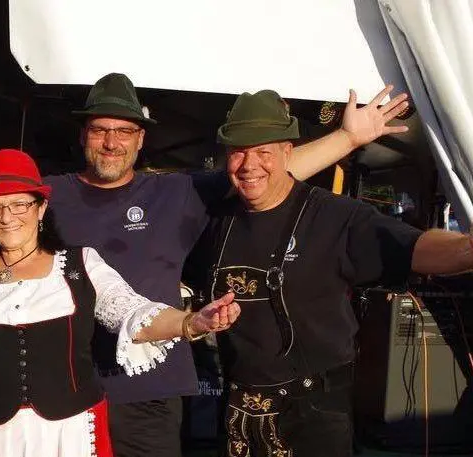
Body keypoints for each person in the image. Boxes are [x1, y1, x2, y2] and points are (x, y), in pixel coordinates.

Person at [43, 73, 410, 457]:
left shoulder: (175, 192)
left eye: (124, 131)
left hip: (149, 392)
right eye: (100, 130)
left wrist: (348, 138)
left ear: (141, 139)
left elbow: (264, 177)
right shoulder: (46, 197)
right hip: (67, 384)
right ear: (84, 135)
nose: (111, 142)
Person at [193, 89, 473, 457]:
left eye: (264, 152)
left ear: (288, 153)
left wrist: (466, 249)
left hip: (315, 413)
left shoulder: (337, 217)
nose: (249, 164)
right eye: (238, 151)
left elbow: (417, 249)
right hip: (240, 410)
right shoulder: (215, 219)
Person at [0, 148, 241, 457]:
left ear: (40, 208)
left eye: (19, 205)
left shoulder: (80, 265)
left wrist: (189, 323)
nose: (7, 217)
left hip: (69, 434)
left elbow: (131, 311)